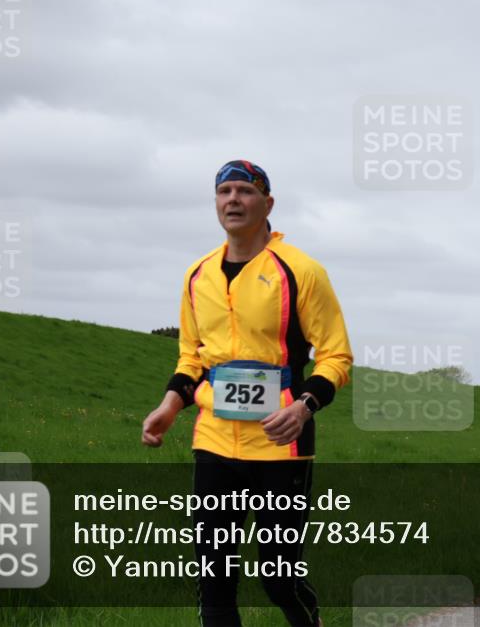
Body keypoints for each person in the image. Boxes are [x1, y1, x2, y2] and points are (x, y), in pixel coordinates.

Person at [141, 159, 353, 627]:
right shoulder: (198, 275)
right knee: (213, 575)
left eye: (245, 191)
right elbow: (192, 358)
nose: (233, 200)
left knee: (279, 578)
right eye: (224, 191)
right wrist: (170, 406)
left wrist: (304, 408)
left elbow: (336, 357)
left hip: (280, 445)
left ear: (267, 204)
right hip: (214, 441)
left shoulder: (301, 271)